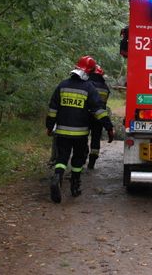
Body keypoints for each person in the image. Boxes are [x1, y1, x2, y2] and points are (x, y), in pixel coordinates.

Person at [46, 55, 114, 203]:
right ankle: (75, 186)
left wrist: (49, 126)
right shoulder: (88, 88)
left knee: (62, 157)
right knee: (78, 160)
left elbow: (52, 109)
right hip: (80, 133)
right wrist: (109, 127)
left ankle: (57, 176)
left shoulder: (62, 85)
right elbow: (98, 110)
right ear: (89, 71)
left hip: (62, 132)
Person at [87, 64, 114, 169]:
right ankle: (92, 161)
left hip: (85, 115)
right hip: (100, 117)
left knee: (82, 136)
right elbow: (103, 104)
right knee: (96, 137)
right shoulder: (105, 88)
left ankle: (83, 154)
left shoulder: (87, 84)